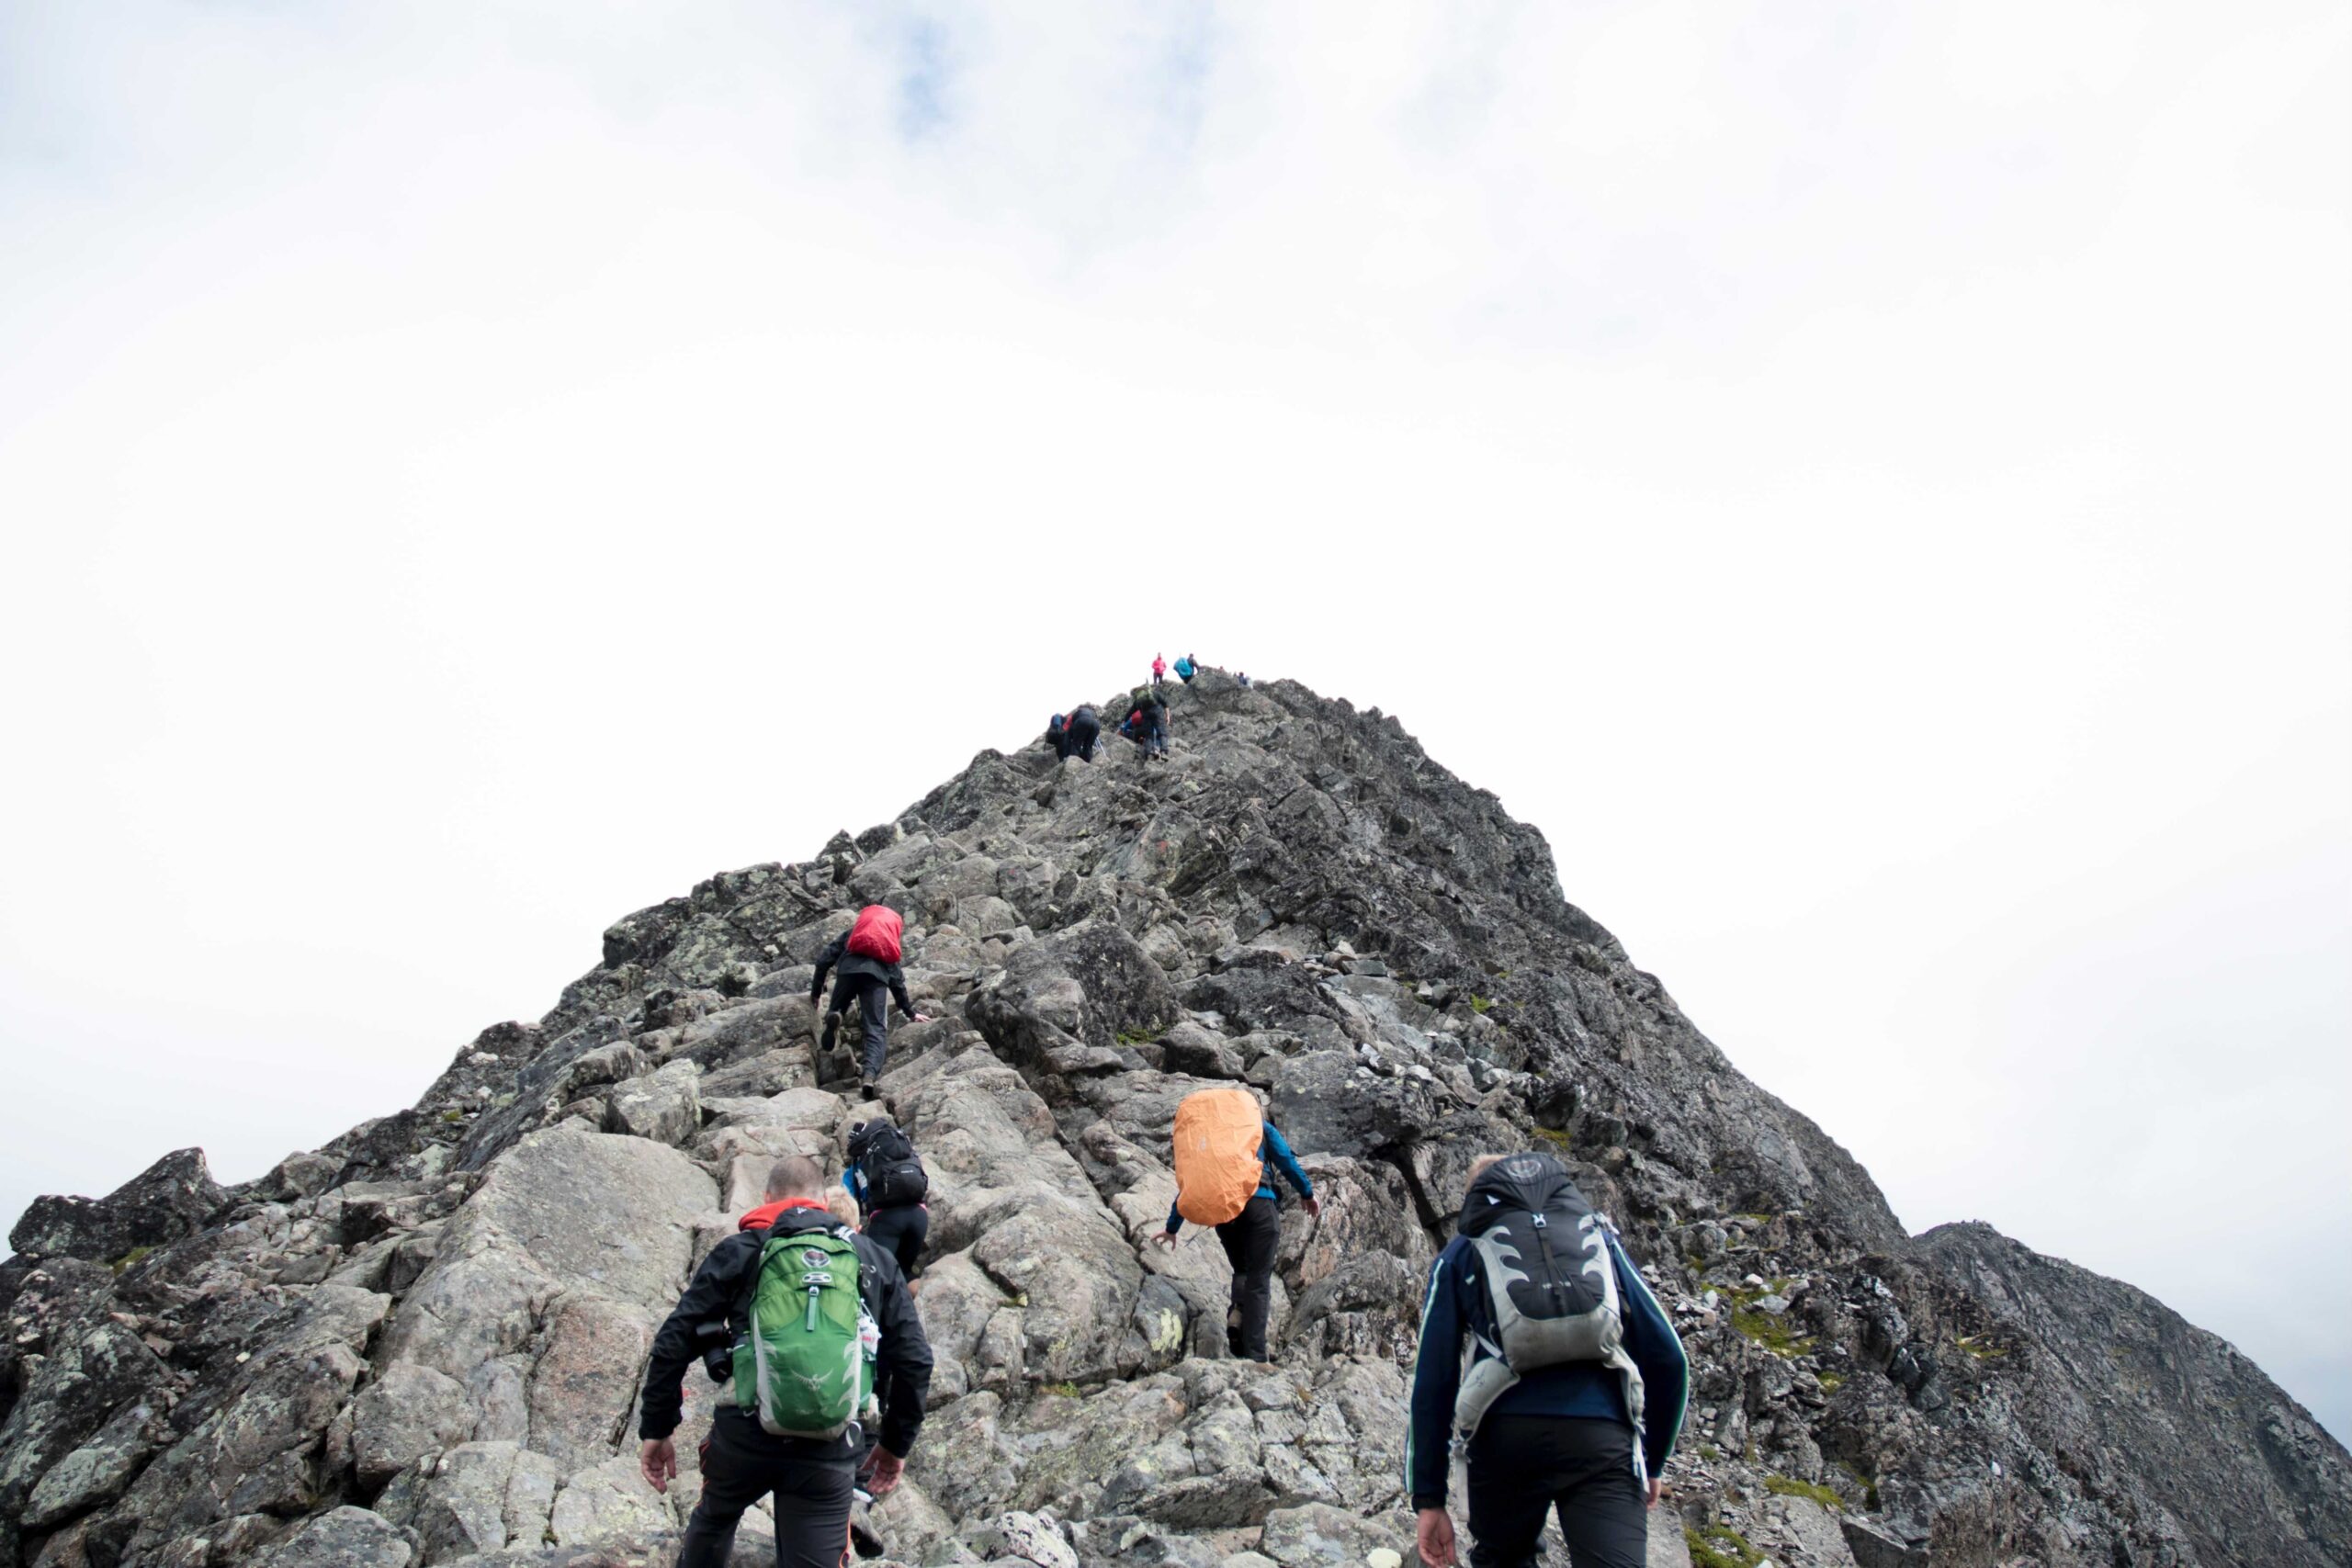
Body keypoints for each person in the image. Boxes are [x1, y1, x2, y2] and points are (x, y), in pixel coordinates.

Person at [638, 1155, 934, 1568]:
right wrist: (893, 1445)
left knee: (716, 1516)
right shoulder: (869, 1257)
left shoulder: (742, 1250)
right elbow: (915, 1360)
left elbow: (673, 1341)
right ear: (822, 1201)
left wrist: (657, 1428)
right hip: (829, 1443)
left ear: (766, 1197)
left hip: (744, 1436)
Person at [1406, 1152, 1689, 1568]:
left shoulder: (1461, 1252)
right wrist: (1652, 1460)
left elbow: (1433, 1381)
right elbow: (1669, 1357)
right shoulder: (1596, 1236)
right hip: (1601, 1437)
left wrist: (1428, 1497)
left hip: (1504, 1438)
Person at [1153, 1108, 1317, 1362]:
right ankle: (1256, 1356)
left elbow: (1197, 1183)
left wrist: (1172, 1227)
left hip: (1224, 1211)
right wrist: (1307, 1193)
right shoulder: (1258, 1125)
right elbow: (1286, 1161)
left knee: (1242, 1270)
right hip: (1260, 1207)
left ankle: (1238, 1322)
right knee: (1259, 1280)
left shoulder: (1211, 1137)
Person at [811, 906, 931, 1100]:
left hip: (847, 971)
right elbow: (897, 981)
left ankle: (835, 1016)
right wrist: (910, 1012)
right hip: (876, 979)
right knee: (875, 1028)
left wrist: (816, 992)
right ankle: (869, 1075)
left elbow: (824, 960)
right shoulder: (887, 943)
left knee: (837, 1007)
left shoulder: (854, 934)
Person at [844, 1116, 930, 1282]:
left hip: (887, 1220)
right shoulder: (903, 1151)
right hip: (919, 1215)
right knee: (905, 1273)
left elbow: (845, 1204)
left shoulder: (857, 1166)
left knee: (877, 1276)